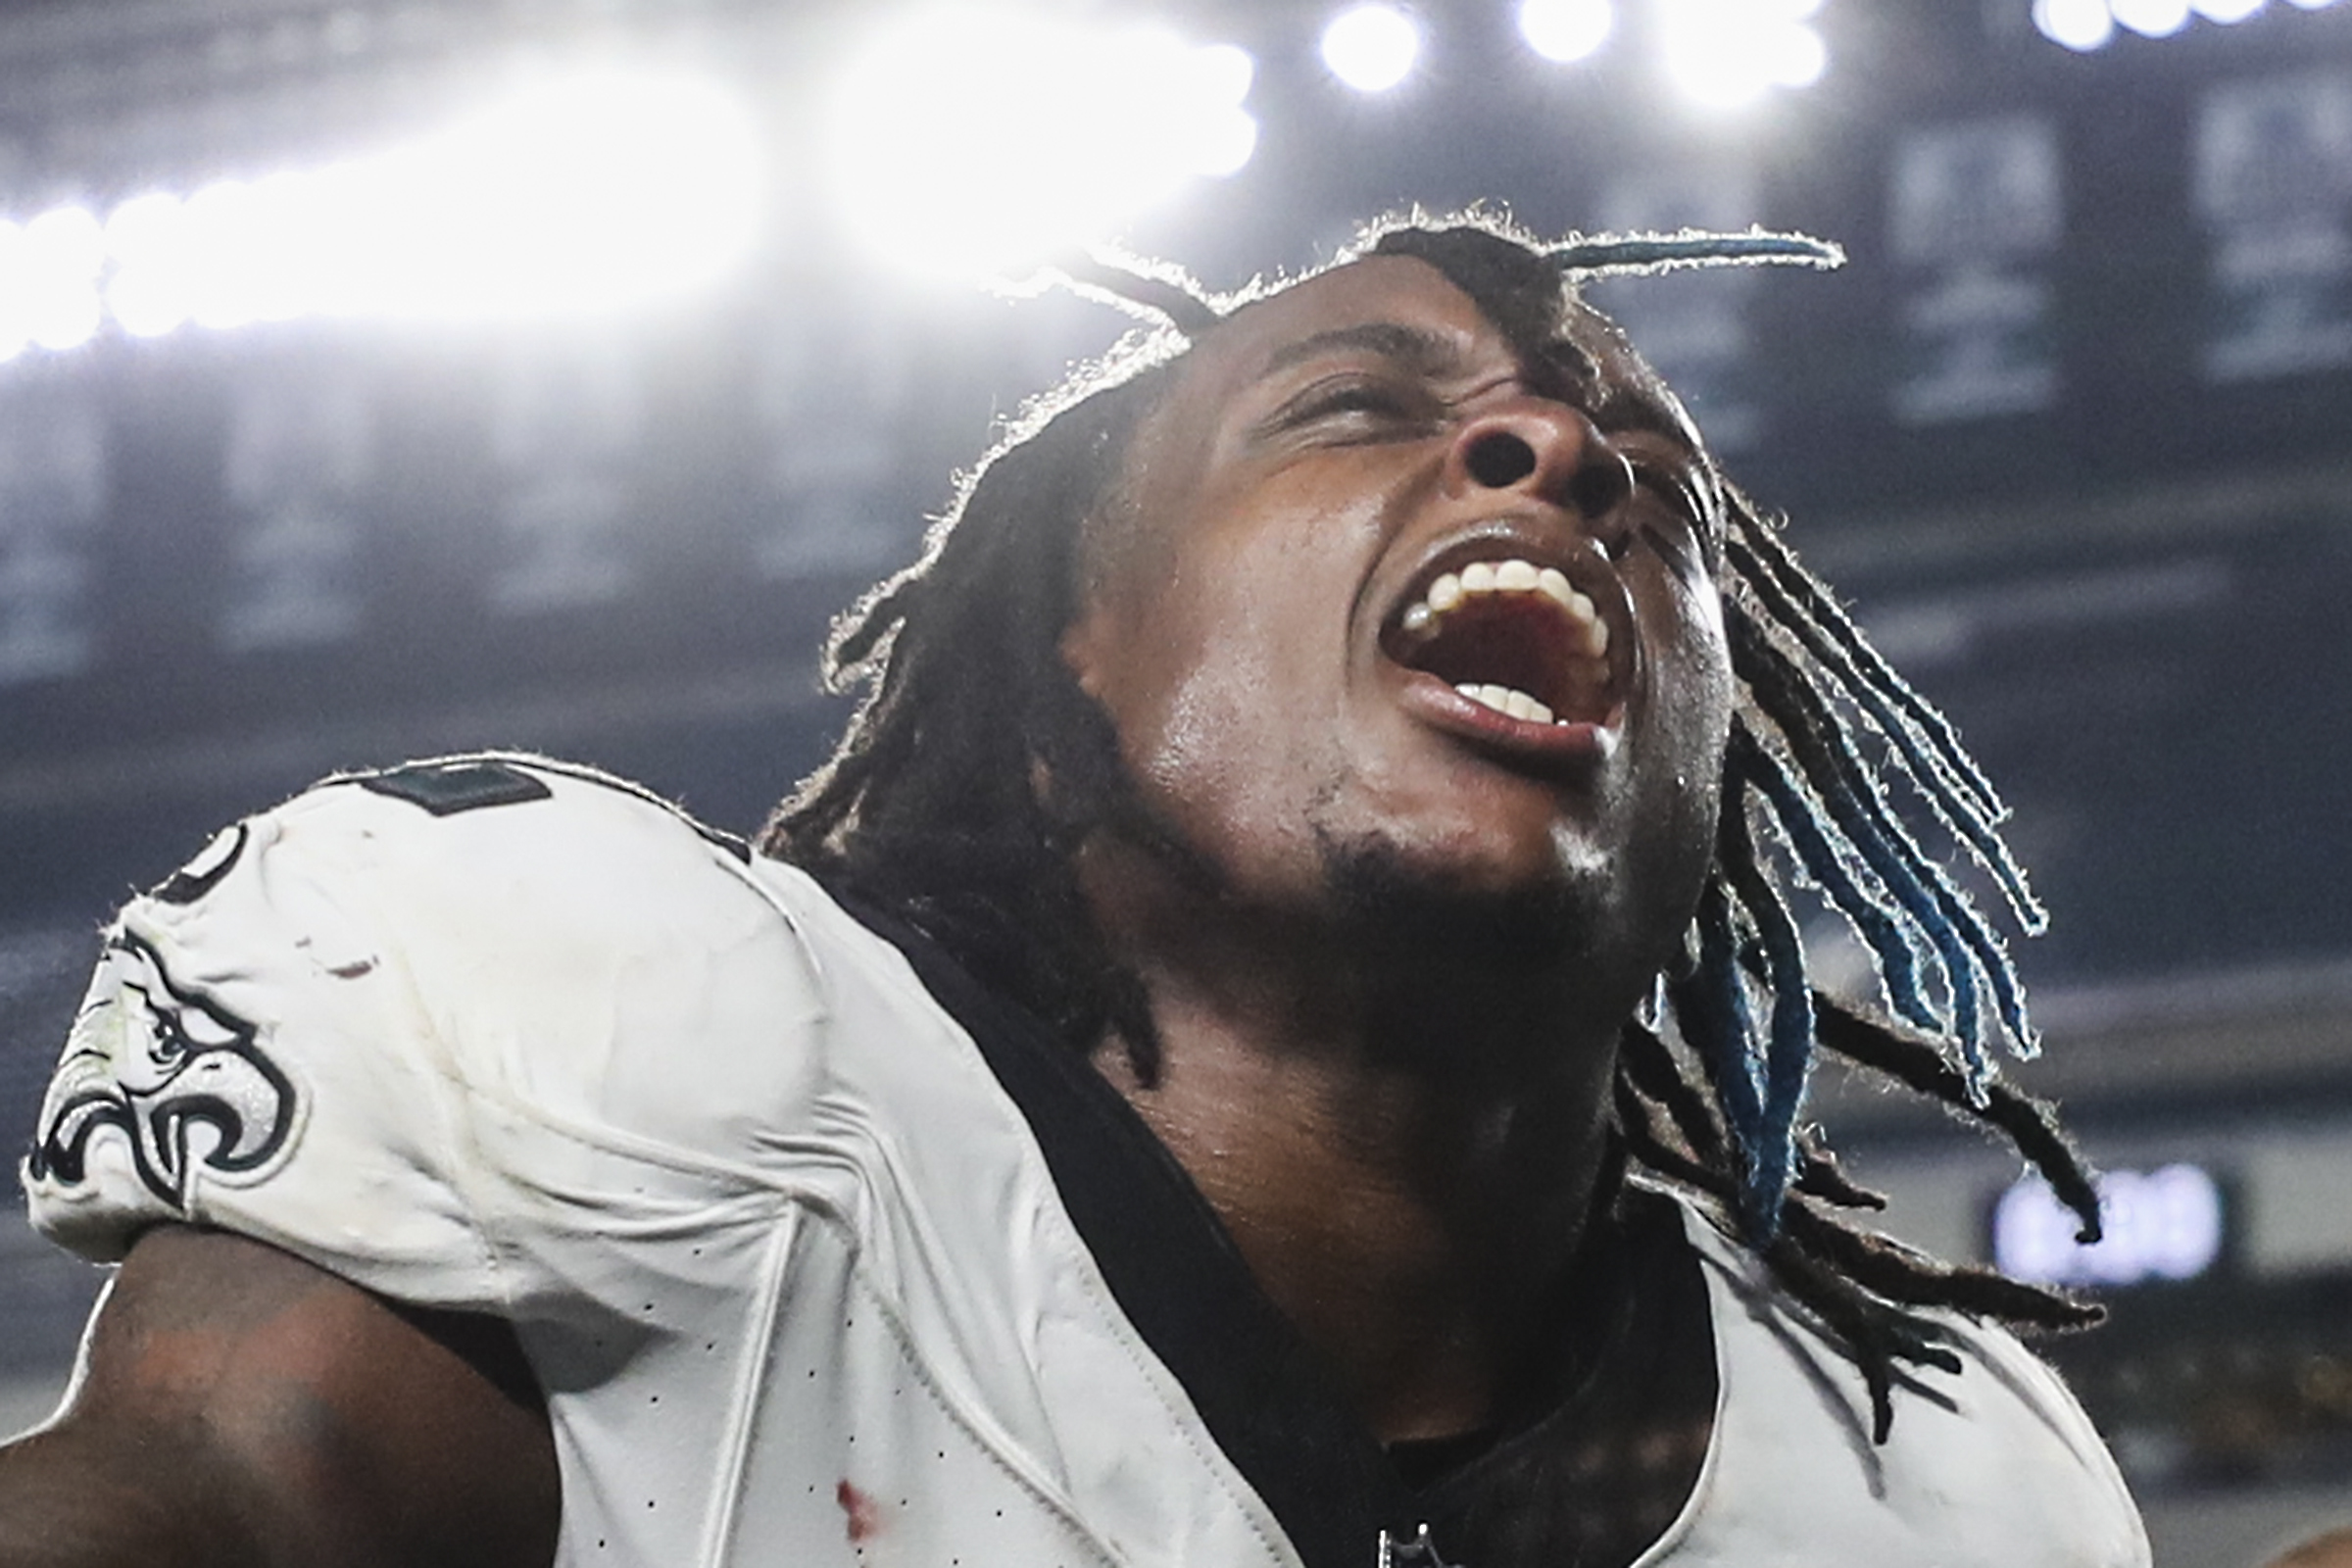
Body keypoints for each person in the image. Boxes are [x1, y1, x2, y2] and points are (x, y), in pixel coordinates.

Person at [0, 216, 2147, 1567]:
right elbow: (212, 1501)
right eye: (1354, 409)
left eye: (1653, 488)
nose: (1556, 456)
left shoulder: (1944, 1469)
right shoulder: (647, 1033)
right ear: (1063, 674)